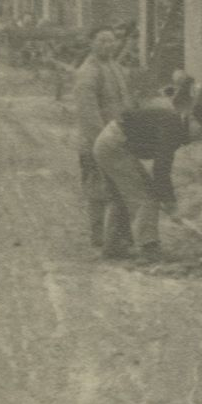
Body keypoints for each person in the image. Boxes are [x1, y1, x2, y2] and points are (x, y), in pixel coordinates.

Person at [93, 78, 202, 262]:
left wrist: (168, 200)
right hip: (115, 145)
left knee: (120, 196)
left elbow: (161, 169)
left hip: (110, 141)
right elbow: (161, 169)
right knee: (146, 196)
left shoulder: (175, 124)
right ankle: (148, 248)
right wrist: (170, 204)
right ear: (192, 120)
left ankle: (114, 247)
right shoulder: (173, 126)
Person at [72, 25, 132, 248]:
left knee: (116, 189)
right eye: (102, 41)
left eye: (111, 41)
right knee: (97, 190)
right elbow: (88, 113)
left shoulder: (113, 66)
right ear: (91, 43)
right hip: (96, 141)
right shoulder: (88, 72)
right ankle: (98, 236)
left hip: (117, 136)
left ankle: (116, 236)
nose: (109, 45)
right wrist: (100, 141)